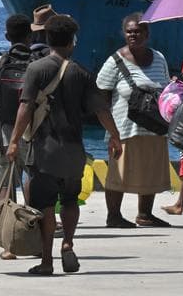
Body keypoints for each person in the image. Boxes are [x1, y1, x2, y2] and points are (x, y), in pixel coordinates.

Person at [7, 15, 122, 276]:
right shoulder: (81, 72)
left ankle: (47, 260)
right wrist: (115, 136)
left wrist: (14, 141)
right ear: (72, 41)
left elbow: (25, 107)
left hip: (45, 152)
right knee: (69, 200)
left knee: (45, 205)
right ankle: (68, 242)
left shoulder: (36, 69)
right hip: (73, 151)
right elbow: (101, 109)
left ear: (47, 39)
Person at [96, 14, 171, 229]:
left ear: (147, 34)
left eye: (137, 31)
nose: (133, 35)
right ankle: (113, 216)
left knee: (151, 169)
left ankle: (145, 214)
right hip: (124, 126)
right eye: (129, 31)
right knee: (118, 172)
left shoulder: (159, 58)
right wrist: (110, 131)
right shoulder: (115, 60)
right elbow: (102, 94)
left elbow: (165, 87)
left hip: (154, 125)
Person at [0, 14, 45, 217]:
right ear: (30, 35)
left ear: (7, 36)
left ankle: (8, 232)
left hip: (3, 134)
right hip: (34, 133)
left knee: (4, 188)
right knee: (36, 181)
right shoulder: (41, 65)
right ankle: (37, 223)